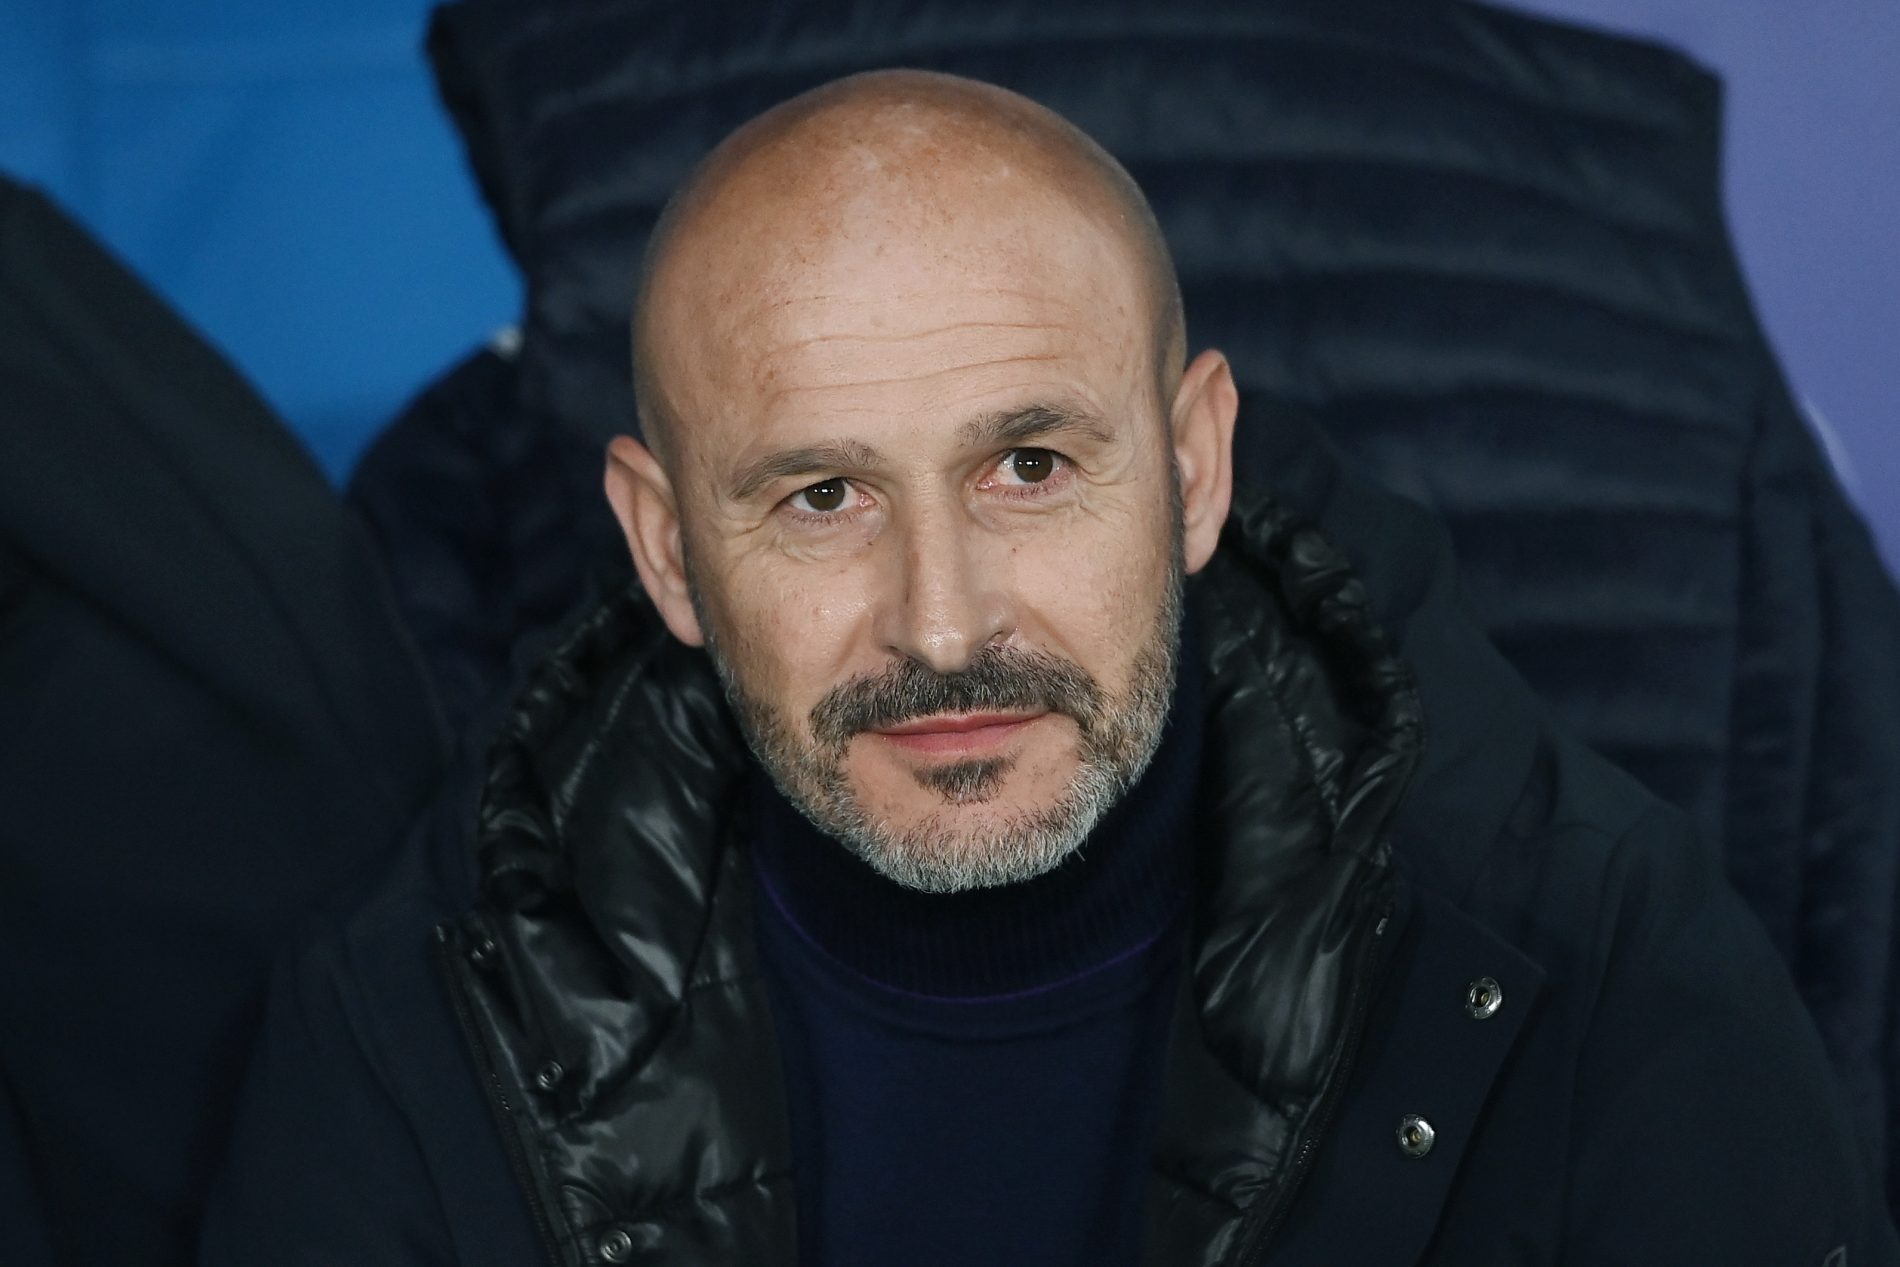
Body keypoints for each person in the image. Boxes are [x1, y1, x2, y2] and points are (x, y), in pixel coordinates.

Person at [200, 70, 1895, 1267]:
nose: (944, 628)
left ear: (1197, 466)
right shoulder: (411, 1034)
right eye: (822, 496)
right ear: (664, 552)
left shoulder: (1593, 957)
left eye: (1029, 467)